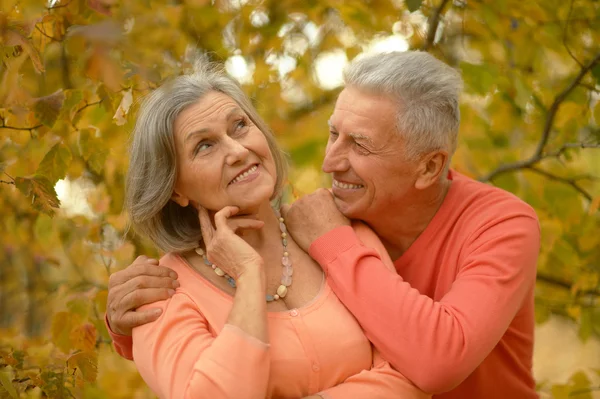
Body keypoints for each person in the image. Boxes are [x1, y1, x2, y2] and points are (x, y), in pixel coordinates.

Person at [107, 51, 540, 399]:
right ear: (174, 189)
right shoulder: (163, 289)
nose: (330, 163)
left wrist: (334, 242)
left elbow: (418, 372)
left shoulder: (337, 233)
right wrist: (131, 328)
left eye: (360, 145)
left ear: (428, 167)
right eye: (334, 134)